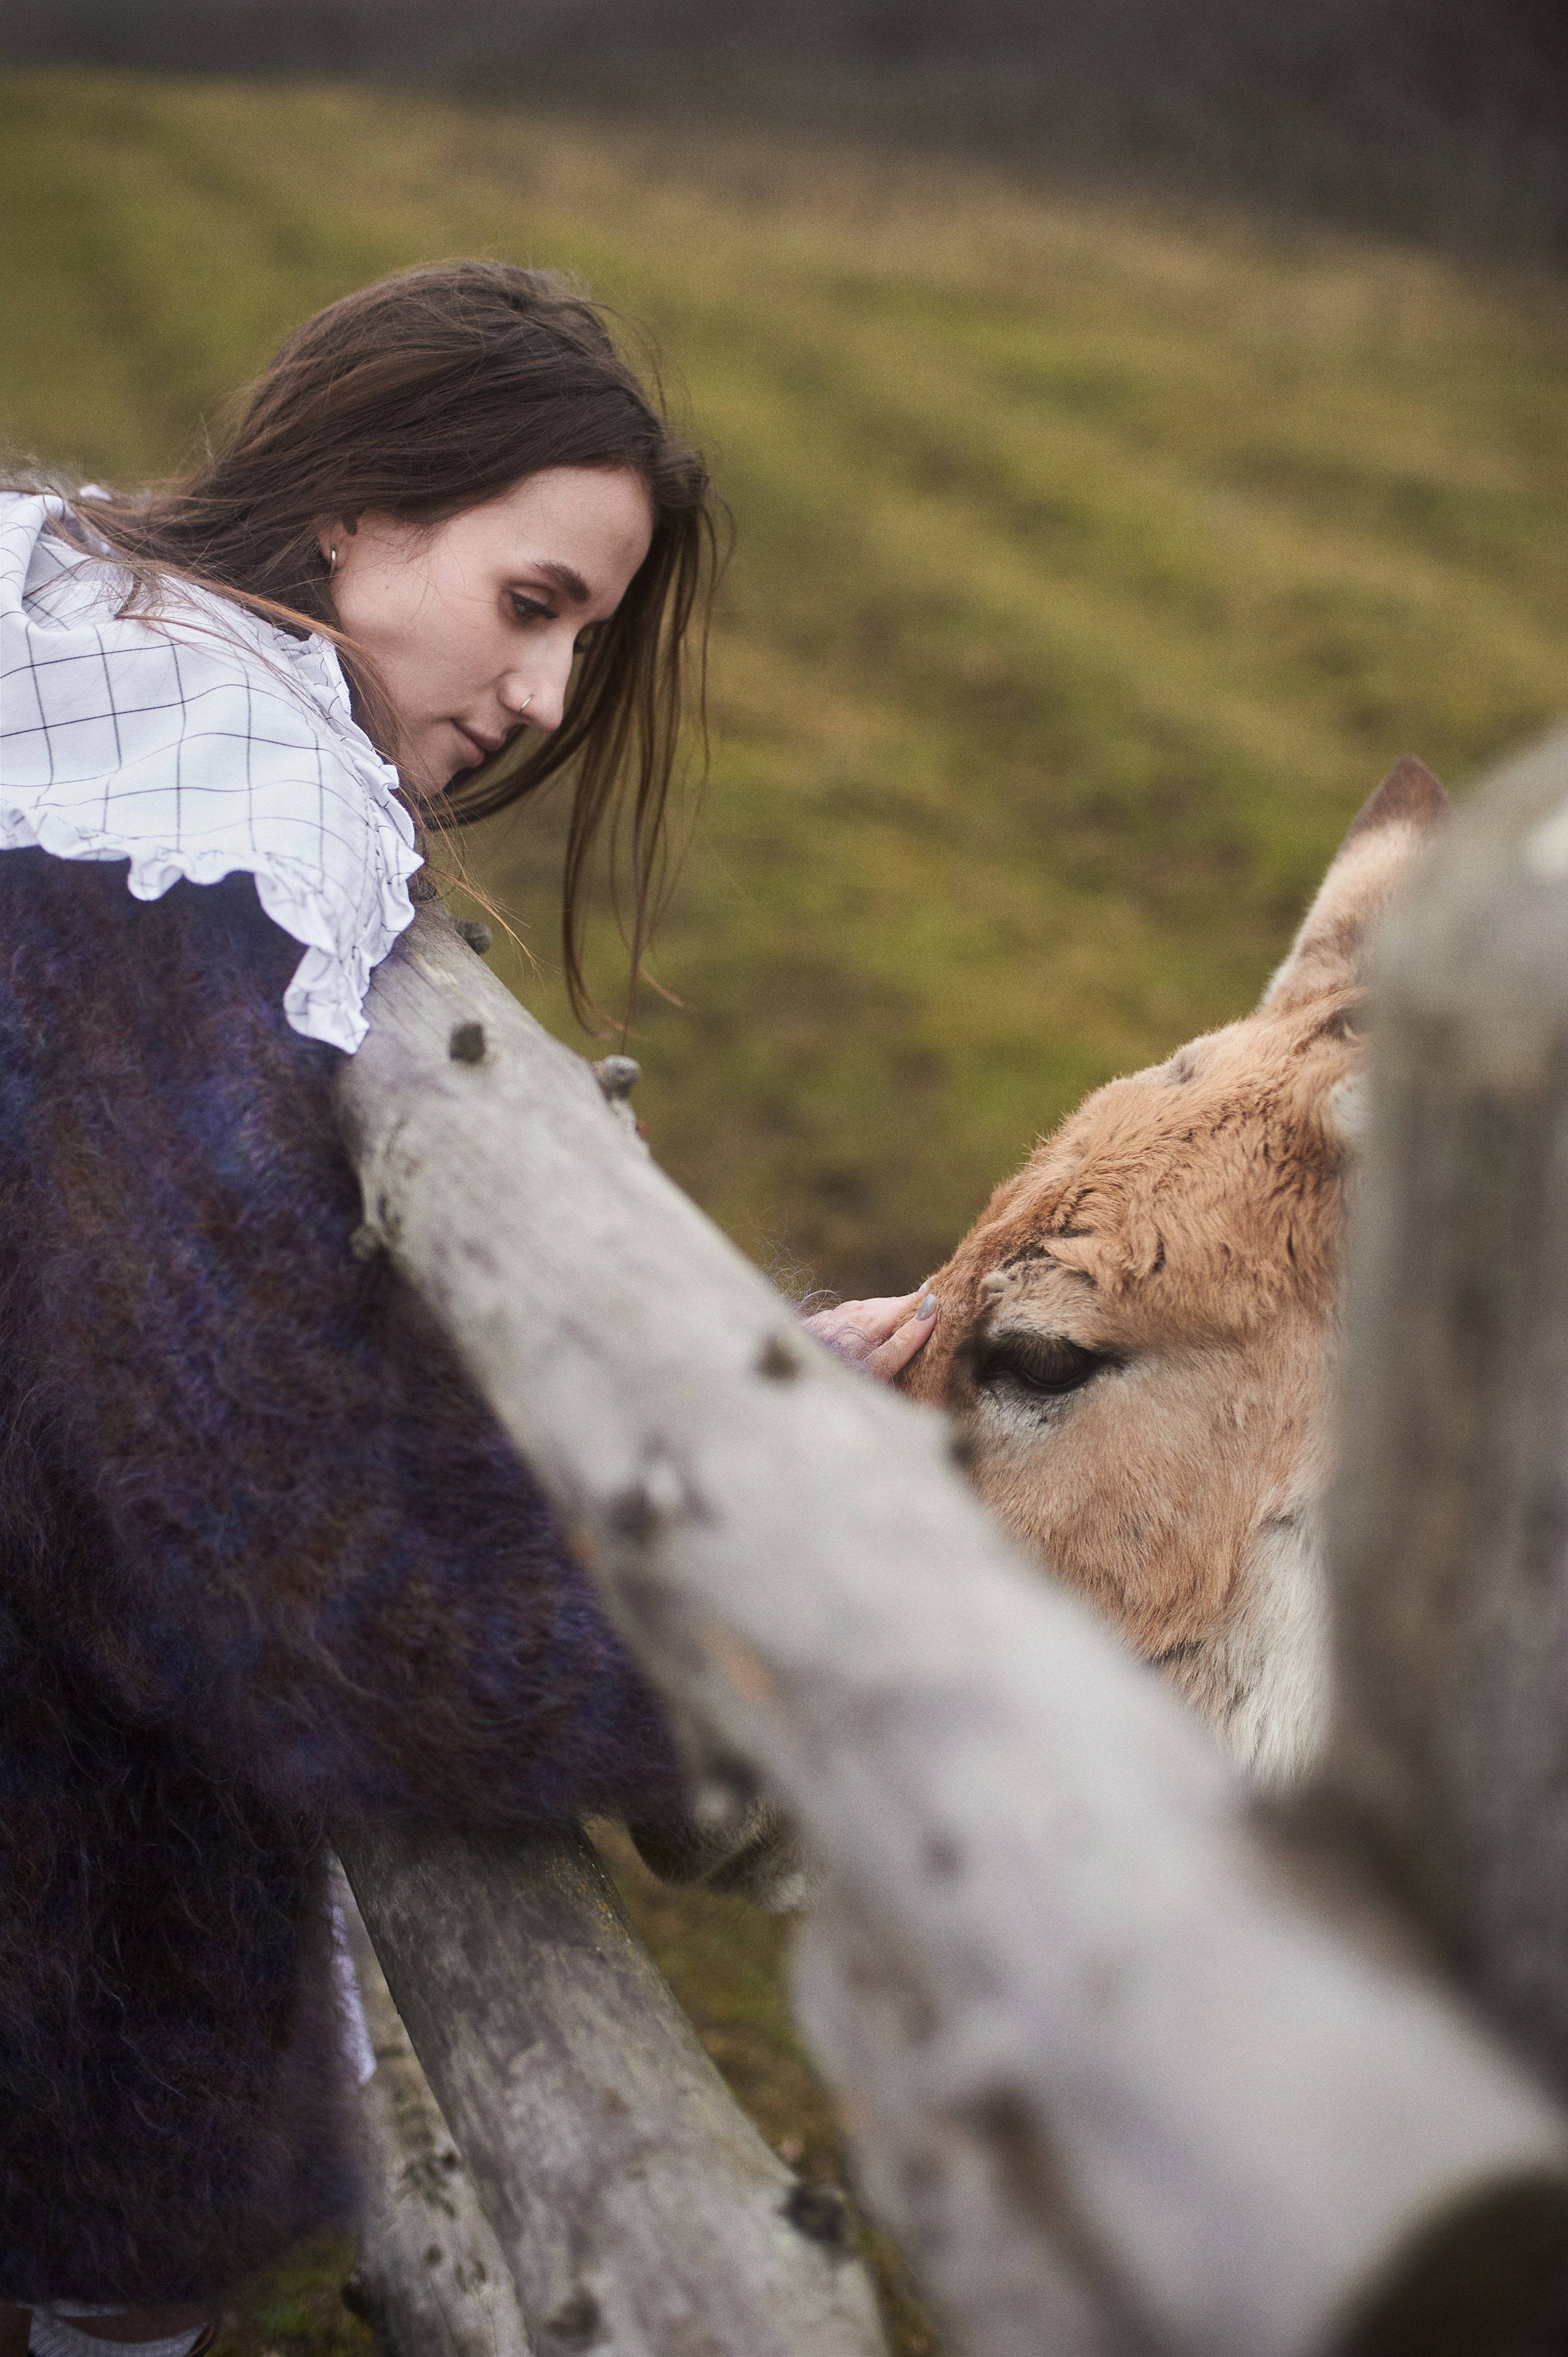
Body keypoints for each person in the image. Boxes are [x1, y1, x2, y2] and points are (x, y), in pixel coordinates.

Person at [0, 261, 932, 2354]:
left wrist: (707, 1399)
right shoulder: (203, 834)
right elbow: (272, 1560)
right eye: (533, 603)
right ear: (353, 507)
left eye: (582, 635)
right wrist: (742, 1615)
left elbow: (171, 1326)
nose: (549, 698)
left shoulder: (71, 636)